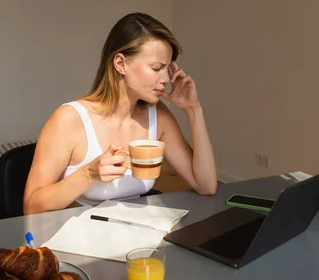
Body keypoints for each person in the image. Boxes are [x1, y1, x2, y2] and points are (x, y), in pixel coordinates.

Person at [23, 12, 217, 215]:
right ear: (120, 64)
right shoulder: (69, 119)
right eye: (156, 68)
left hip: (133, 234)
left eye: (168, 68)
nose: (166, 79)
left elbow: (206, 185)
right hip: (78, 238)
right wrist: (89, 173)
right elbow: (31, 207)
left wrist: (193, 109)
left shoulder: (158, 116)